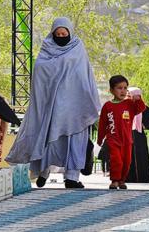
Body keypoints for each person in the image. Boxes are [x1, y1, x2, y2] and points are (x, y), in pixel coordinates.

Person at [6, 17, 101, 189]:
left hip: (75, 107)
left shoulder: (77, 48)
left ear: (70, 33)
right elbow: (40, 72)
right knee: (50, 140)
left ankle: (72, 177)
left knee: (75, 143)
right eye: (58, 34)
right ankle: (44, 171)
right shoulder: (46, 49)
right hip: (53, 108)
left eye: (64, 33)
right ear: (53, 33)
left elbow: (84, 75)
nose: (61, 36)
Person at [97, 75, 146, 189]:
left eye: (125, 88)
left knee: (126, 162)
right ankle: (114, 180)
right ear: (111, 90)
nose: (123, 91)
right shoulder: (107, 106)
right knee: (116, 161)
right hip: (113, 139)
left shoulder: (129, 104)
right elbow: (102, 124)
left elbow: (141, 108)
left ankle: (122, 180)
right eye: (119, 88)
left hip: (127, 140)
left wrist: (138, 99)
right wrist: (100, 139)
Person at [126, 87, 149, 183]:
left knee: (140, 158)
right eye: (127, 94)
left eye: (130, 94)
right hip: (126, 136)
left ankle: (142, 179)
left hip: (138, 137)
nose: (128, 96)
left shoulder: (144, 108)